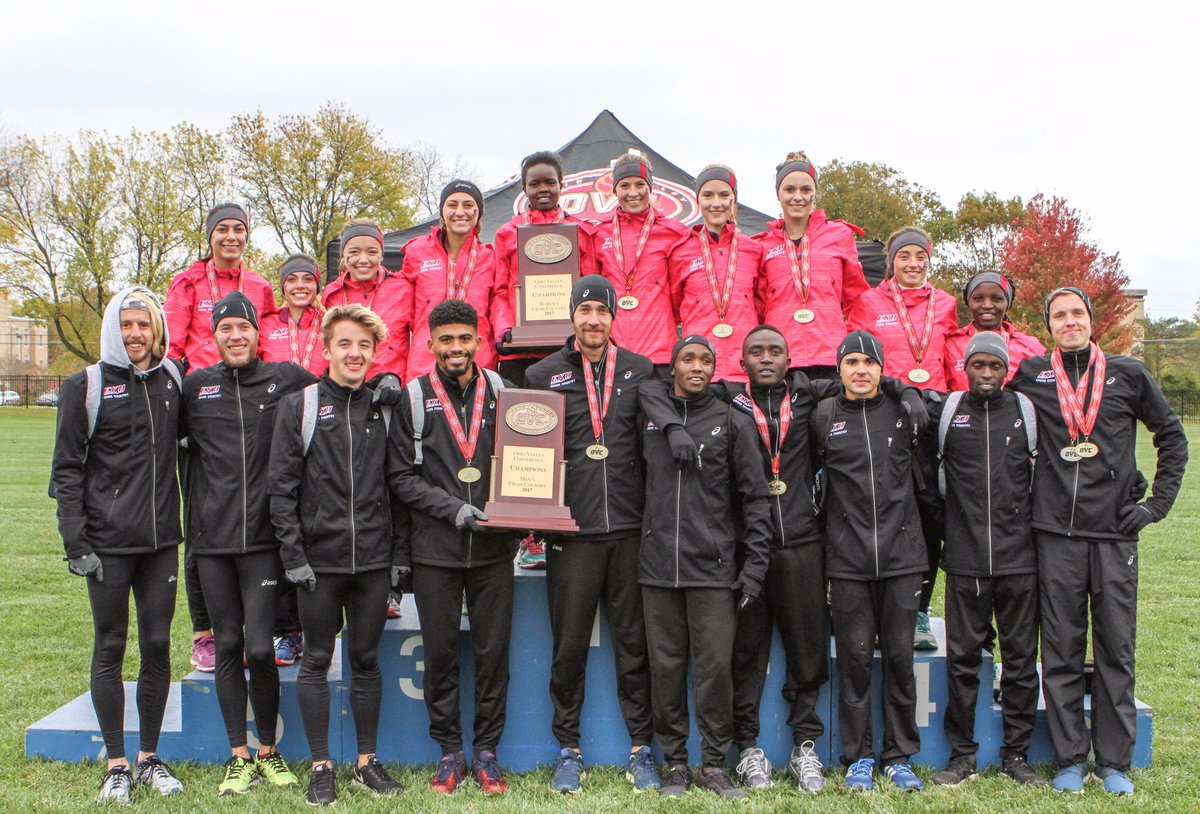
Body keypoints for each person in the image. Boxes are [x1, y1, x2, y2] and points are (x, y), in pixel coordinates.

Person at [1009, 287, 1188, 795]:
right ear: (1048, 325)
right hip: (1055, 537)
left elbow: (1172, 437)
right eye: (1059, 315)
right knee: (1061, 650)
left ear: (1091, 320)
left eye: (1077, 313)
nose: (1070, 322)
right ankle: (1069, 758)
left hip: (1113, 536)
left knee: (1115, 649)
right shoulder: (1031, 377)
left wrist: (1154, 505)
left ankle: (1113, 762)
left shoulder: (1128, 374)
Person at [524, 275, 660, 795]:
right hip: (573, 533)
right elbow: (530, 452)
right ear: (572, 317)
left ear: (612, 317)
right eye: (585, 312)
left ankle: (641, 747)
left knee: (634, 644)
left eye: (601, 312)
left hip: (628, 529)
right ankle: (568, 748)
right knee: (569, 646)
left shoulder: (640, 369)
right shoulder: (543, 374)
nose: (594, 321)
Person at [50, 287, 186, 803]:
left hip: (160, 545)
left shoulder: (172, 379)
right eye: (126, 324)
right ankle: (116, 764)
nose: (135, 334)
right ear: (113, 328)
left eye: (144, 325)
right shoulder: (85, 385)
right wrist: (75, 543)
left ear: (157, 330)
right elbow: (65, 470)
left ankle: (150, 757)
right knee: (110, 646)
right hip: (105, 547)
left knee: (156, 646)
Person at [269, 304, 406, 806]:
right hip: (317, 565)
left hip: (372, 562)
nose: (354, 353)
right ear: (326, 350)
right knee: (317, 661)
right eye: (345, 344)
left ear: (374, 353)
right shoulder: (300, 405)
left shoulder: (384, 407)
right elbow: (280, 490)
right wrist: (294, 556)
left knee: (366, 660)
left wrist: (398, 558)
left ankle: (367, 763)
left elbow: (398, 488)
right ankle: (322, 765)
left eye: (364, 345)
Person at [182, 291, 318, 796]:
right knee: (229, 647)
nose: (235, 336)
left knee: (262, 649)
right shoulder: (196, 388)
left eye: (244, 328)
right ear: (213, 337)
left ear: (259, 333)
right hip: (213, 543)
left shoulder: (287, 379)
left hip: (264, 540)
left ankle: (269, 750)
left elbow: (333, 397)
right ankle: (239, 755)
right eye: (226, 330)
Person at [388, 299, 516, 795]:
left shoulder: (502, 391)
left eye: (465, 338)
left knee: (493, 656)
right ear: (430, 342)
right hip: (435, 550)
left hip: (492, 550)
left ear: (479, 341)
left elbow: (524, 460)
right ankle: (448, 752)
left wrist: (517, 512)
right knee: (440, 656)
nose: (456, 348)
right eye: (447, 339)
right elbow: (401, 477)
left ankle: (487, 752)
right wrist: (453, 508)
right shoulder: (414, 397)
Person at [637, 335, 771, 801]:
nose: (697, 367)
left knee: (714, 670)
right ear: (671, 367)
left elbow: (756, 498)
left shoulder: (733, 421)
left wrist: (754, 567)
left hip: (714, 570)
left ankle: (714, 764)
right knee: (666, 668)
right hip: (657, 568)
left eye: (706, 360)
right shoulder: (650, 419)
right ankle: (675, 762)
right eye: (687, 359)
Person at [927, 332, 1045, 788]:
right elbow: (928, 478)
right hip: (965, 560)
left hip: (1019, 560)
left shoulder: (1025, 412)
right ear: (965, 367)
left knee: (1019, 660)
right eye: (979, 365)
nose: (987, 374)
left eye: (995, 366)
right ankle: (961, 755)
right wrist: (952, 533)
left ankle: (1016, 754)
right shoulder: (949, 411)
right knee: (962, 661)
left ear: (1007, 369)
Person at [811, 330, 927, 793]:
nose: (861, 370)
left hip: (902, 557)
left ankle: (899, 756)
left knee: (899, 660)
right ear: (839, 368)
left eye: (870, 362)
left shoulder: (903, 410)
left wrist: (909, 389)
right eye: (852, 362)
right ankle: (858, 757)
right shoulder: (824, 415)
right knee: (855, 662)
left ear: (883, 368)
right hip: (847, 560)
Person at [164, 202, 277, 675]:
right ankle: (205, 632)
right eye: (222, 230)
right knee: (204, 526)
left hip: (248, 404)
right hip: (202, 407)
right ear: (209, 236)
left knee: (260, 514)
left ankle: (262, 626)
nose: (230, 237)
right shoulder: (187, 282)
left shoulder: (259, 286)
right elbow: (172, 348)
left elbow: (267, 342)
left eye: (238, 229)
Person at [847, 225, 959, 649]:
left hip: (933, 419)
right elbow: (859, 356)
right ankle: (871, 608)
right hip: (886, 413)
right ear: (890, 261)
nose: (912, 265)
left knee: (929, 514)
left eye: (920, 258)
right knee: (883, 509)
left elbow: (951, 361)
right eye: (903, 257)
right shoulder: (869, 302)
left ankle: (920, 611)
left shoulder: (945, 304)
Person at [753, 152, 869, 379]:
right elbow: (758, 305)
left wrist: (854, 346)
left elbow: (857, 298)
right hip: (780, 357)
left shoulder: (839, 235)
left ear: (815, 194)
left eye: (805, 190)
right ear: (778, 194)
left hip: (831, 354)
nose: (798, 197)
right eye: (789, 190)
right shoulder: (763, 245)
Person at [493, 150, 598, 386]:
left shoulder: (582, 232)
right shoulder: (506, 234)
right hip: (519, 351)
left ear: (561, 185)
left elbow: (591, 289)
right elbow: (499, 291)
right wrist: (504, 328)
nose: (543, 188)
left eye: (550, 182)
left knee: (572, 418)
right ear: (524, 188)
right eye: (535, 183)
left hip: (570, 347)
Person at [594, 153, 690, 372]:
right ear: (614, 190)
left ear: (651, 187)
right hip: (612, 352)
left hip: (659, 353)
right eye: (625, 185)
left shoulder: (674, 233)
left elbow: (679, 293)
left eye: (640, 184)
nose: (633, 192)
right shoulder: (597, 232)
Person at [403, 180, 510, 376]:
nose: (460, 212)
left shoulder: (490, 258)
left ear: (477, 213)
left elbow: (498, 303)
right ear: (442, 211)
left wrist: (505, 330)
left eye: (468, 205)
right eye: (452, 205)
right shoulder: (417, 252)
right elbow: (403, 312)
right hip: (425, 362)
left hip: (477, 360)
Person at [668, 165, 763, 383]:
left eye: (724, 195)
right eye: (708, 195)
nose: (716, 203)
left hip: (744, 367)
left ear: (734, 200)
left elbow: (762, 304)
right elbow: (675, 307)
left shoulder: (754, 250)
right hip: (699, 369)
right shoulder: (680, 251)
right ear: (698, 200)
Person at [321, 219, 412, 382]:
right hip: (348, 391)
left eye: (371, 252)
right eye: (354, 252)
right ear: (343, 255)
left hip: (393, 391)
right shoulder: (332, 294)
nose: (363, 260)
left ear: (382, 254)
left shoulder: (403, 287)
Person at [943, 270, 1044, 391]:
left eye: (996, 299)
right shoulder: (950, 345)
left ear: (1008, 303)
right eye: (978, 298)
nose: (987, 305)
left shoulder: (1029, 347)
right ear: (969, 302)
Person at [260, 254, 328, 377]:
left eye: (308, 279)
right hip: (276, 396)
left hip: (322, 396)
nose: (300, 285)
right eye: (292, 279)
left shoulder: (330, 324)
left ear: (317, 287)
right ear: (283, 287)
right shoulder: (265, 325)